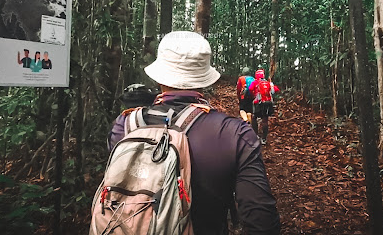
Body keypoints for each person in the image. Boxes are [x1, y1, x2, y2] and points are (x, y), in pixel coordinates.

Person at [107, 31, 281, 234]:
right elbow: (261, 221)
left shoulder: (125, 125)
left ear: (159, 76)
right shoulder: (234, 133)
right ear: (205, 78)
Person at [248, 68, 280, 144]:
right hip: (267, 103)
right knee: (265, 120)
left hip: (258, 103)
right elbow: (276, 89)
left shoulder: (255, 82)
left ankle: (256, 135)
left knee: (254, 117)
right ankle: (264, 139)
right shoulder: (268, 83)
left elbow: (250, 88)